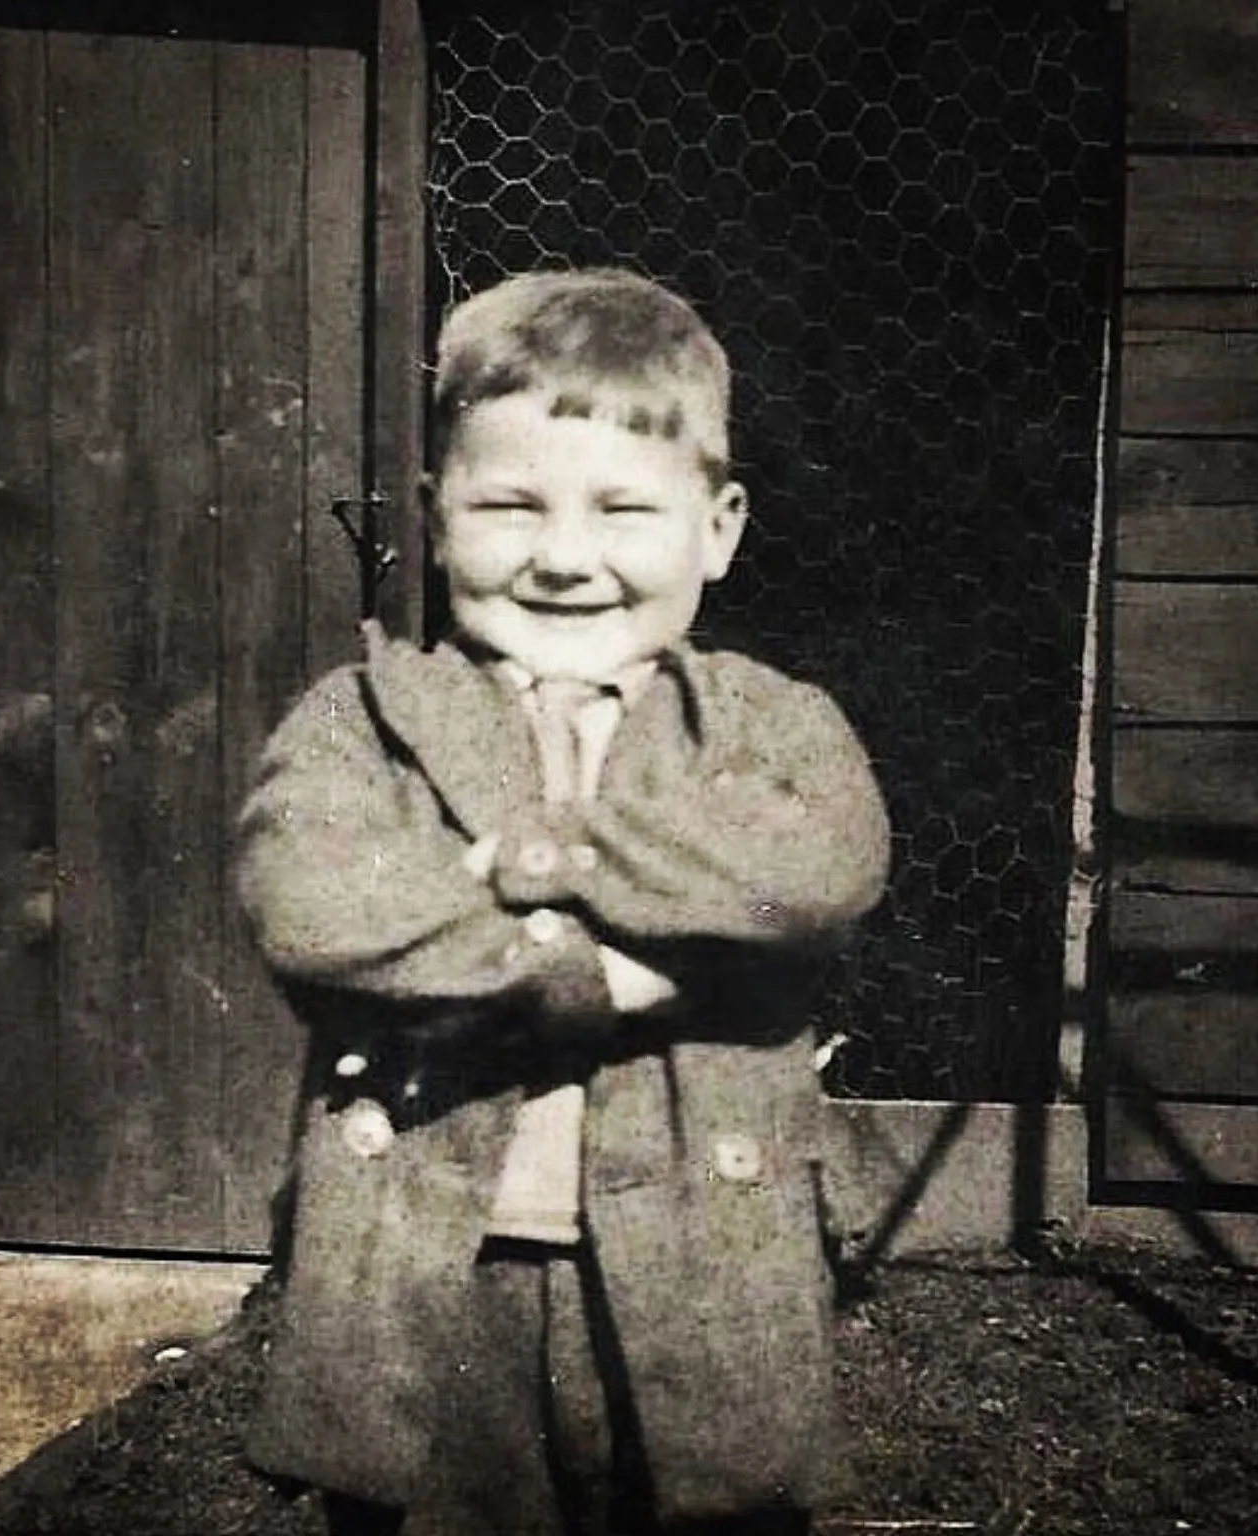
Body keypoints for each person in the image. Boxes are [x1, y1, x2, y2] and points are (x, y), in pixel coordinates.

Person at [236, 266, 891, 1535]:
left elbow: (819, 868)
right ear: (435, 516)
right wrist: (620, 970)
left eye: (624, 510)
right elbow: (313, 905)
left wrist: (510, 870)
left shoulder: (768, 728)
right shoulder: (360, 718)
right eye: (510, 504)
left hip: (707, 1252)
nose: (565, 558)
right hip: (426, 1260)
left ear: (718, 526)